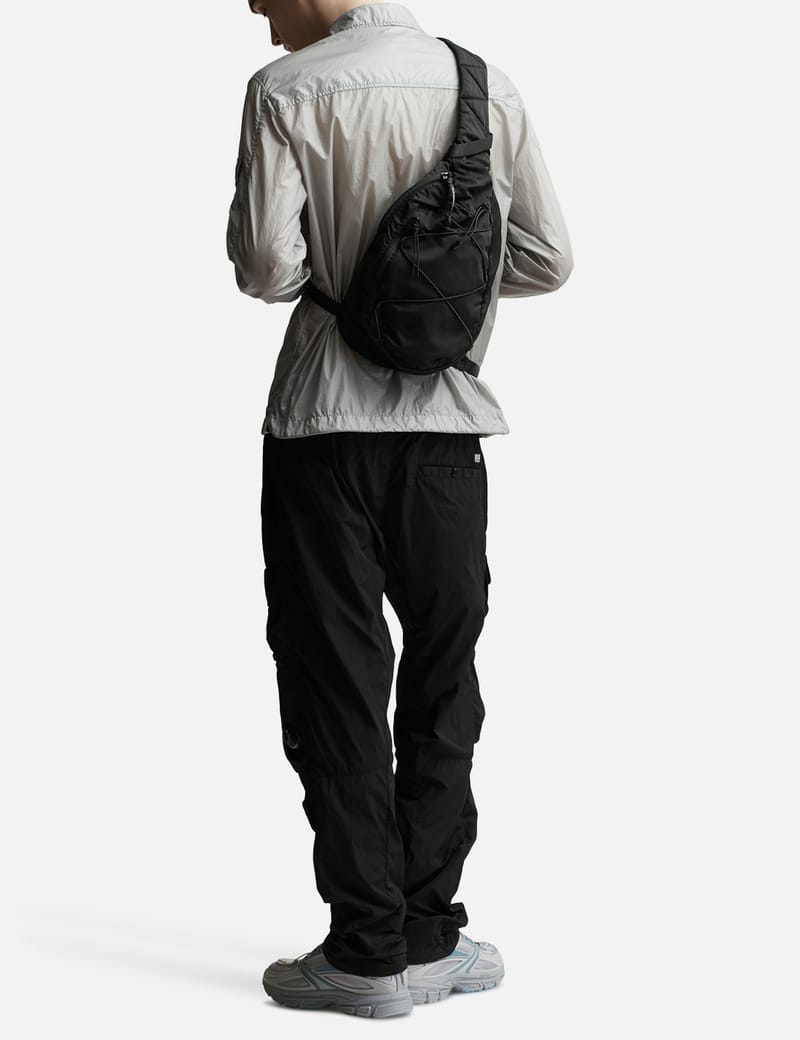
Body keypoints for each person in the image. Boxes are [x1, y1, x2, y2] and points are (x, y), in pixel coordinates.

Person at [226, 0, 572, 1018]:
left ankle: (364, 953)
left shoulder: (285, 91)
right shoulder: (483, 85)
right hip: (447, 432)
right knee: (441, 678)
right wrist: (436, 295)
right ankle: (428, 939)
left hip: (321, 429)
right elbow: (548, 258)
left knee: (334, 679)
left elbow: (266, 269)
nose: (254, 9)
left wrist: (352, 272)